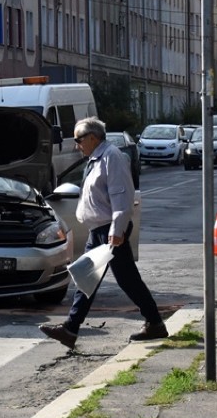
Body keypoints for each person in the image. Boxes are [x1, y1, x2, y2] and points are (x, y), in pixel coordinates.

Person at [39, 117, 168, 350]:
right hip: (99, 230)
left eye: (79, 140)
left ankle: (155, 323)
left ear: (92, 137)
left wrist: (116, 230)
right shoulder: (96, 158)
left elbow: (122, 197)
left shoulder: (112, 157)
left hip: (109, 229)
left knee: (125, 280)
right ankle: (71, 329)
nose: (76, 145)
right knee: (88, 279)